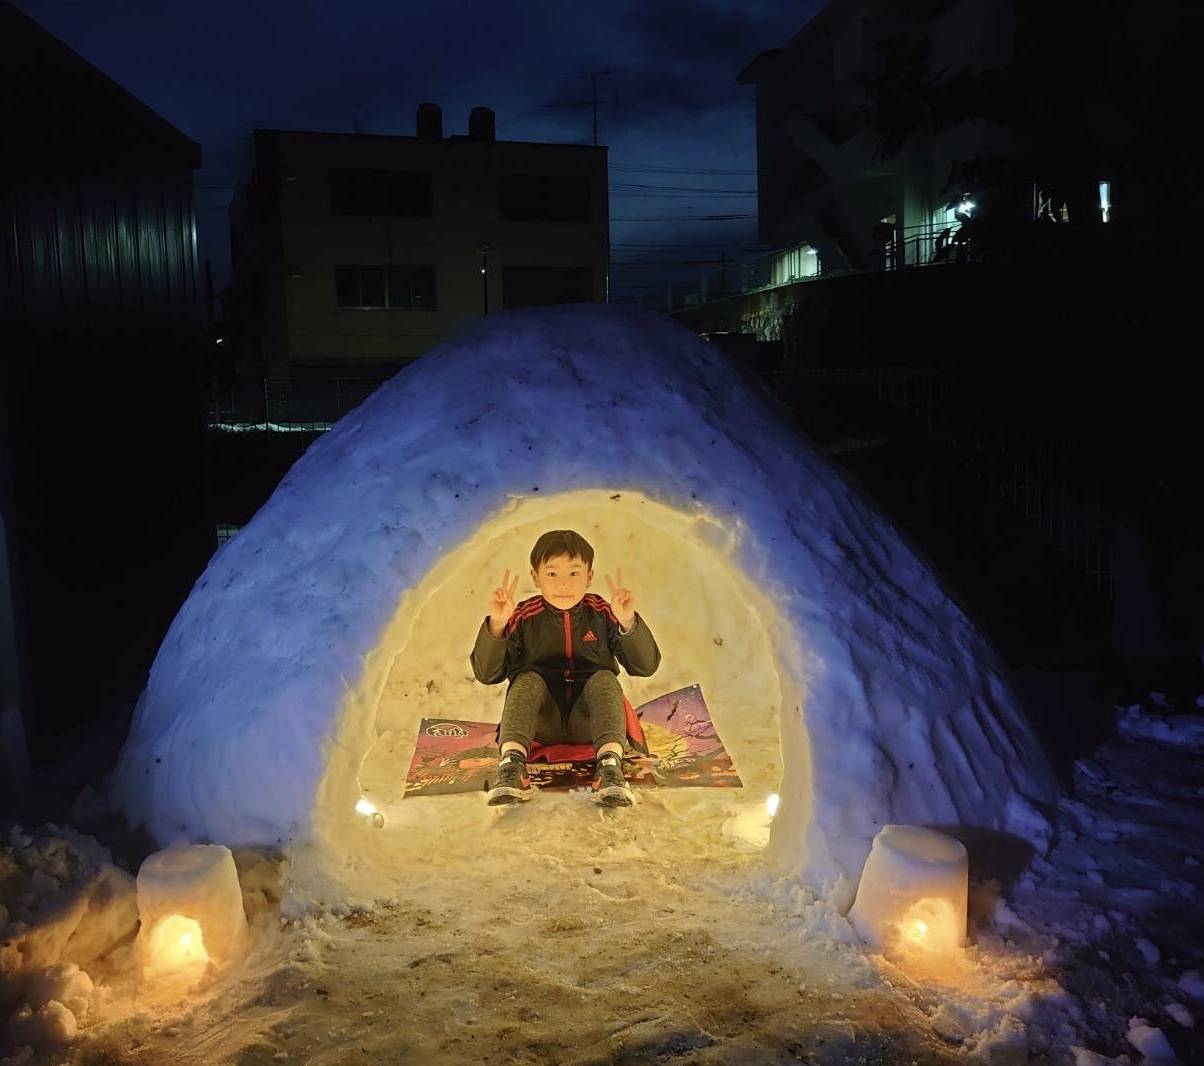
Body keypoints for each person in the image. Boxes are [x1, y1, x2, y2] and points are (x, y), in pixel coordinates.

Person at [470, 529, 661, 808]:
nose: (563, 584)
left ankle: (609, 768)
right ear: (535, 577)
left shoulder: (602, 612)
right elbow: (488, 674)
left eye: (573, 573)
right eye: (552, 574)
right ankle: (512, 767)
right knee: (527, 680)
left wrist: (628, 622)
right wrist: (497, 625)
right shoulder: (524, 615)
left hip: (592, 722)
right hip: (539, 725)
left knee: (605, 678)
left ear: (589, 576)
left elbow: (644, 667)